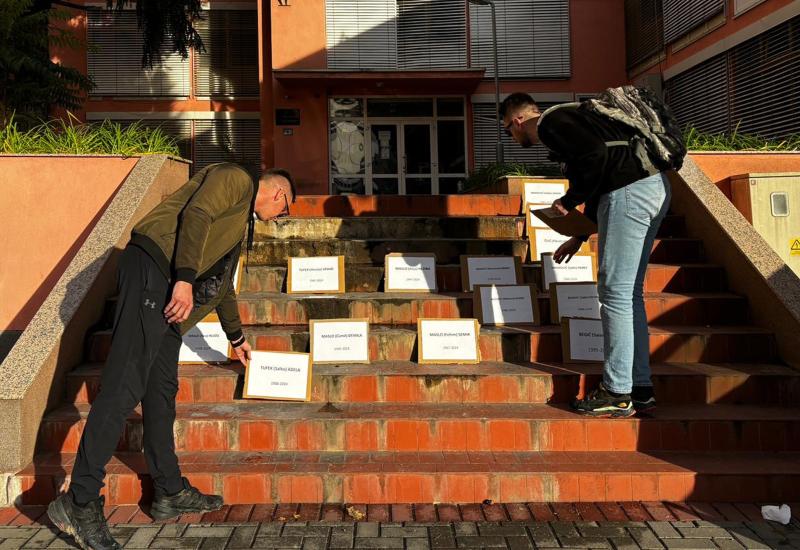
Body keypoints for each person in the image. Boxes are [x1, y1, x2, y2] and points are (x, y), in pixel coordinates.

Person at [47, 164, 296, 550]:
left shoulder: (236, 225)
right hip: (154, 267)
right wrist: (182, 278)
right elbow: (196, 213)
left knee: (161, 391)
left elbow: (221, 286)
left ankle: (168, 490)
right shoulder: (236, 178)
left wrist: (237, 336)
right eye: (286, 210)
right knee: (123, 385)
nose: (281, 218)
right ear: (279, 194)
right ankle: (79, 500)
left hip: (168, 291)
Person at [500, 92, 671, 418]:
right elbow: (603, 168)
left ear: (518, 121)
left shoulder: (550, 122)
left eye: (508, 129)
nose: (511, 135)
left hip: (629, 193)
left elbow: (595, 159)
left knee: (615, 294)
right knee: (629, 294)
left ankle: (617, 392)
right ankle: (640, 388)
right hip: (653, 188)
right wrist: (579, 235)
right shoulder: (578, 120)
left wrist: (568, 199)